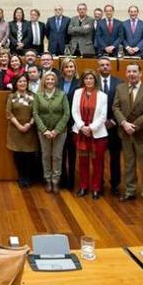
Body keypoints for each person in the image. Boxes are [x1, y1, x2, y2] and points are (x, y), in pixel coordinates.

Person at [112, 63, 143, 209]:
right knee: (129, 164)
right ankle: (130, 190)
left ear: (140, 73)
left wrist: (134, 126)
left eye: (135, 71)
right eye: (129, 71)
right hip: (125, 133)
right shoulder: (120, 88)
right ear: (126, 73)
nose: (132, 74)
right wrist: (124, 123)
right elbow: (115, 107)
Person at [71, 70, 108, 199]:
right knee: (83, 161)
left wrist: (91, 128)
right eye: (86, 78)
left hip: (98, 134)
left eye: (91, 78)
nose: (89, 81)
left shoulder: (102, 95)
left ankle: (96, 188)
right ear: (83, 80)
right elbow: (74, 111)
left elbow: (103, 116)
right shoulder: (77, 93)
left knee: (98, 161)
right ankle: (83, 186)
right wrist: (82, 126)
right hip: (80, 132)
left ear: (95, 80)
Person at [33, 71, 70, 194]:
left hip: (60, 132)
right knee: (46, 156)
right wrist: (44, 130)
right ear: (44, 81)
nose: (49, 81)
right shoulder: (38, 95)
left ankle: (55, 181)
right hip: (44, 132)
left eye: (52, 79)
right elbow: (35, 114)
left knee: (57, 157)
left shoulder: (62, 95)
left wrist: (56, 130)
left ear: (55, 81)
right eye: (47, 79)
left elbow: (66, 114)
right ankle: (47, 179)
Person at [6, 73, 38, 188]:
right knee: (18, 155)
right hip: (16, 130)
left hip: (30, 130)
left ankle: (28, 176)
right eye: (20, 81)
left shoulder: (33, 96)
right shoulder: (12, 96)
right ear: (16, 84)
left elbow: (36, 112)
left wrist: (29, 124)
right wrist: (19, 125)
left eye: (24, 81)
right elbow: (9, 113)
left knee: (29, 155)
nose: (22, 83)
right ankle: (21, 176)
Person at [96, 57, 122, 195]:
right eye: (102, 65)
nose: (105, 67)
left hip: (114, 126)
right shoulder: (92, 82)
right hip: (97, 126)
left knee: (115, 157)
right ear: (98, 68)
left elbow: (123, 104)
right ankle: (98, 183)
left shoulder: (120, 83)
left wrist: (113, 121)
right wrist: (98, 123)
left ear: (111, 67)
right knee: (98, 157)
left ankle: (115, 185)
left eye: (107, 65)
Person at [58, 57, 80, 191]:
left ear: (75, 68)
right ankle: (62, 178)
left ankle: (71, 179)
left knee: (72, 153)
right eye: (67, 67)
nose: (69, 69)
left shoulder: (80, 83)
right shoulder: (57, 83)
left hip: (74, 123)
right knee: (60, 153)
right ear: (63, 69)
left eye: (71, 67)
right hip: (60, 122)